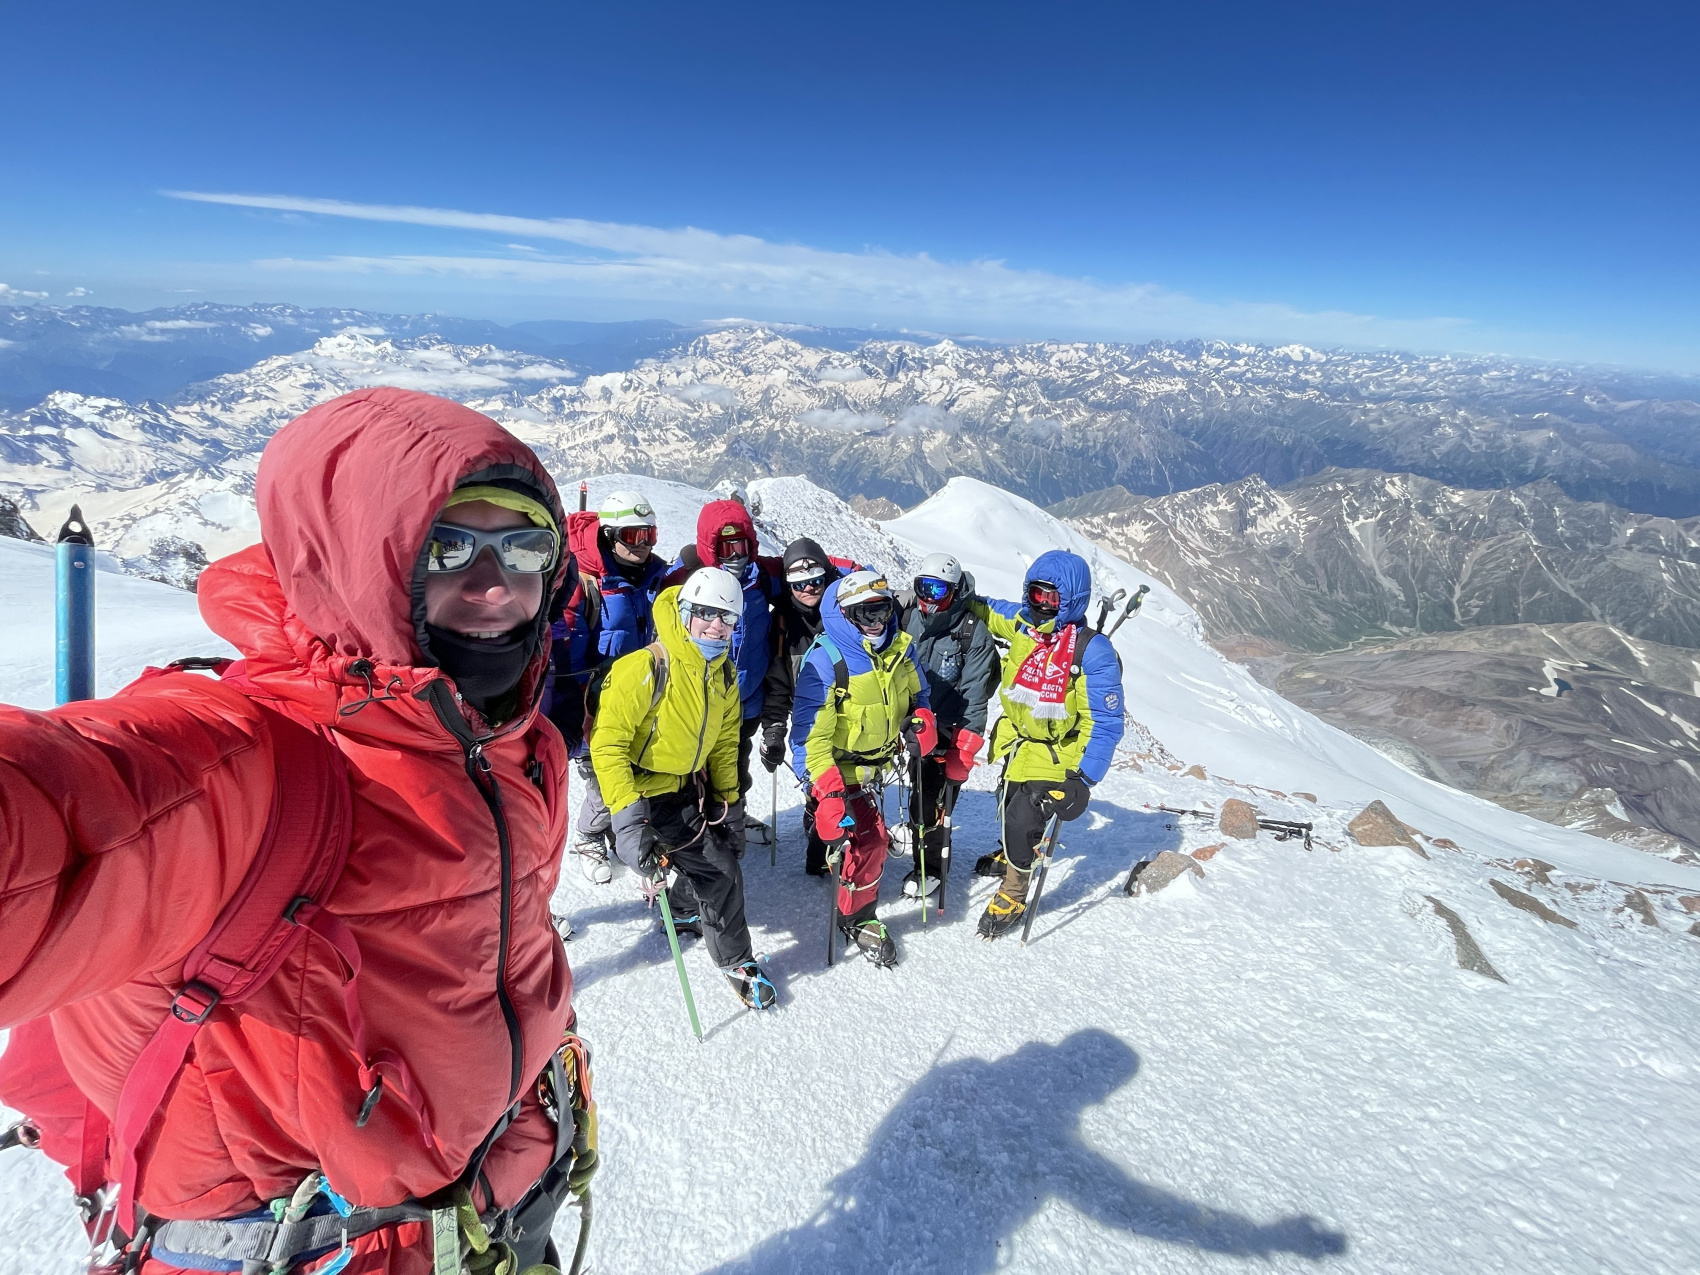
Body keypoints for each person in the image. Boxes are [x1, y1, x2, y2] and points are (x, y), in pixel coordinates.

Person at [0, 389, 593, 1273]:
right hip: (314, 1244)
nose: (494, 583)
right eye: (448, 547)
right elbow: (60, 821)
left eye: (523, 545)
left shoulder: (515, 741)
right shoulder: (247, 766)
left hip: (500, 1195)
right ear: (359, 563)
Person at [590, 567, 777, 1009]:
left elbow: (725, 745)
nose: (717, 626)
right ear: (686, 611)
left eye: (727, 619)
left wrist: (728, 805)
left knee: (713, 857)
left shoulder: (724, 676)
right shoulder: (646, 666)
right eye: (707, 614)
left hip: (683, 790)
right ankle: (736, 960)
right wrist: (630, 819)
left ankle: (681, 909)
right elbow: (608, 744)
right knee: (721, 873)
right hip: (637, 791)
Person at [967, 549, 1127, 940]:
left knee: (1023, 819)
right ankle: (1012, 854)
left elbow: (1104, 722)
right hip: (1021, 743)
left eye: (1052, 598)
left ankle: (1014, 890)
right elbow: (988, 609)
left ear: (1071, 600)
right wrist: (952, 591)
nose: (1041, 605)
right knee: (1007, 804)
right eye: (1035, 595)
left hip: (1061, 754)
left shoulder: (1091, 651)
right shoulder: (1024, 627)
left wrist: (1083, 779)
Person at [790, 570, 935, 967]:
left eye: (883, 610)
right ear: (845, 614)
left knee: (840, 835)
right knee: (871, 842)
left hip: (877, 765)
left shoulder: (899, 649)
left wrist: (922, 719)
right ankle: (856, 917)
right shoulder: (825, 663)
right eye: (864, 613)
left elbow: (918, 692)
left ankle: (822, 840)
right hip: (839, 770)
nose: (876, 622)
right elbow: (808, 741)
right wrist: (829, 792)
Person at [663, 500, 784, 844]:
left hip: (745, 701)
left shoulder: (762, 578)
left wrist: (860, 582)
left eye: (741, 546)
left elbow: (806, 569)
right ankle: (691, 829)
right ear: (708, 547)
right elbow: (652, 598)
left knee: (734, 762)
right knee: (691, 765)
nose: (735, 555)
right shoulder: (688, 578)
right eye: (724, 547)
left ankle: (732, 814)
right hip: (696, 701)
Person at [570, 490, 670, 885]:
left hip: (643, 695)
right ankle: (588, 835)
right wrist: (577, 717)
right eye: (633, 536)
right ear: (610, 536)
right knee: (605, 780)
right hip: (599, 703)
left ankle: (623, 830)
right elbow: (570, 656)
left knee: (639, 767)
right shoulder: (587, 582)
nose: (643, 545)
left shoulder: (655, 576)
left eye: (649, 535)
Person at [894, 552, 1001, 900]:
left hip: (948, 730)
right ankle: (917, 847)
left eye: (938, 591)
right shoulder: (909, 618)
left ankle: (931, 870)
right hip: (914, 725)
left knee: (934, 804)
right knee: (917, 794)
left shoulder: (973, 634)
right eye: (923, 588)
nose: (929, 599)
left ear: (954, 592)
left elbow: (975, 695)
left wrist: (964, 749)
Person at [758, 537, 861, 874]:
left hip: (850, 715)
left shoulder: (849, 613)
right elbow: (776, 684)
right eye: (799, 584)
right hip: (808, 718)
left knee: (849, 781)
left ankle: (840, 841)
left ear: (829, 577)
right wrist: (774, 730)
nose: (808, 589)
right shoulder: (782, 625)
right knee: (820, 783)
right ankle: (822, 849)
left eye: (816, 581)